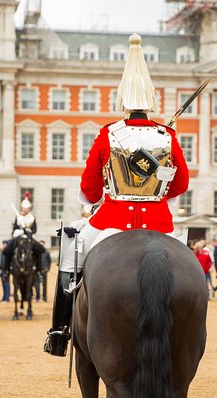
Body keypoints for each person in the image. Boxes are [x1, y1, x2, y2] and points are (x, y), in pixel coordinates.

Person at [43, 33, 189, 356]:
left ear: (123, 100)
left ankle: (60, 332)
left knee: (71, 252)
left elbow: (88, 188)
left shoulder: (109, 134)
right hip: (160, 224)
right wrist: (159, 188)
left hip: (111, 221)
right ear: (150, 100)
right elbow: (181, 184)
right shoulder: (166, 136)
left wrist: (91, 200)